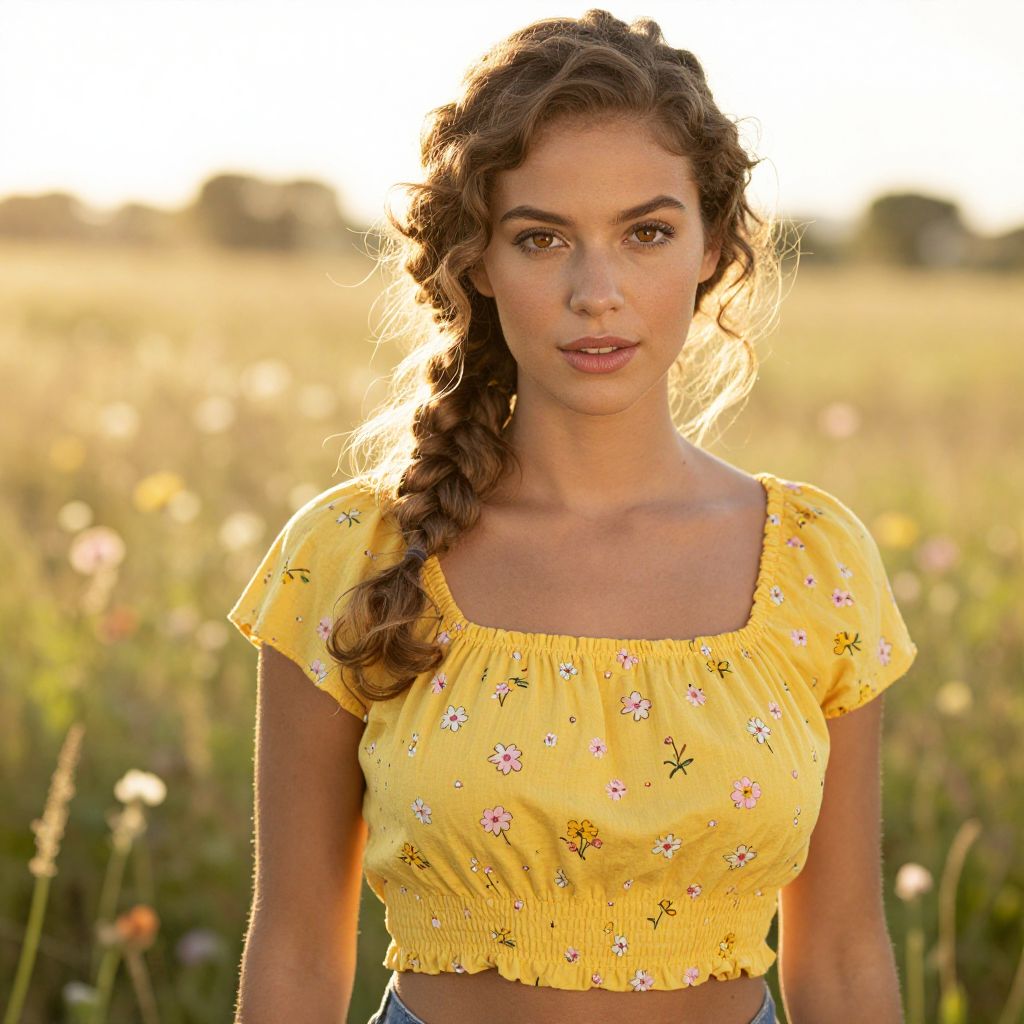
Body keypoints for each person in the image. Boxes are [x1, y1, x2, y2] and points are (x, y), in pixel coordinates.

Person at [228, 10, 917, 1024]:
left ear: (710, 249)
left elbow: (848, 955)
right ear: (475, 261)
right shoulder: (352, 556)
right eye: (541, 238)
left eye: (645, 232)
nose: (597, 292)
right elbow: (292, 948)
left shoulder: (811, 561)